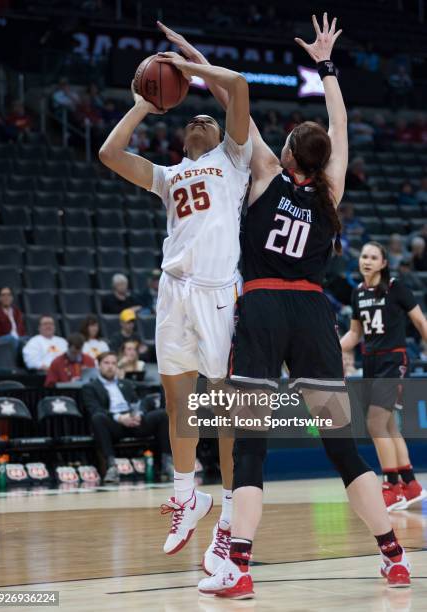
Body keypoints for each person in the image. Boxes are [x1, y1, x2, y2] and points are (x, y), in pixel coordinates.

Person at [170, 13, 412, 597]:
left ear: (286, 153)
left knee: (249, 441)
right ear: (322, 159)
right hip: (312, 315)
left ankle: (240, 567)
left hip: (262, 309)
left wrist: (191, 59)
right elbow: (341, 119)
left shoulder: (264, 172)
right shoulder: (331, 190)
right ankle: (395, 556)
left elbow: (235, 100)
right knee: (340, 444)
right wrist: (326, 66)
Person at [99, 34, 251, 570]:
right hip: (172, 290)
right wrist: (144, 102)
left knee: (226, 406)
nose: (199, 122)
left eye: (206, 120)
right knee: (178, 401)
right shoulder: (168, 177)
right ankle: (188, 495)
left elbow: (239, 87)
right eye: (191, 121)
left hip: (216, 294)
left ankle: (231, 512)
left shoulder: (235, 161)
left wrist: (186, 66)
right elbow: (109, 154)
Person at [340, 242, 427, 511]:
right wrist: (330, 350)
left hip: (394, 359)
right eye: (364, 256)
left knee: (375, 424)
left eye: (373, 257)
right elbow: (355, 334)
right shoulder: (357, 293)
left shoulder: (396, 288)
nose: (366, 260)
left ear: (383, 263)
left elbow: (421, 322)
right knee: (388, 426)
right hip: (371, 361)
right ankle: (411, 485)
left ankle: (392, 486)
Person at [81, 351, 171, 483]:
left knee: (162, 414)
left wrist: (138, 414)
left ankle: (167, 463)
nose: (110, 366)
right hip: (113, 424)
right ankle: (112, 467)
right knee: (98, 418)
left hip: (133, 420)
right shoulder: (90, 387)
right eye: (106, 363)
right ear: (98, 366)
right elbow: (94, 409)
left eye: (113, 363)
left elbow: (136, 403)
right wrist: (119, 418)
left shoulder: (126, 384)